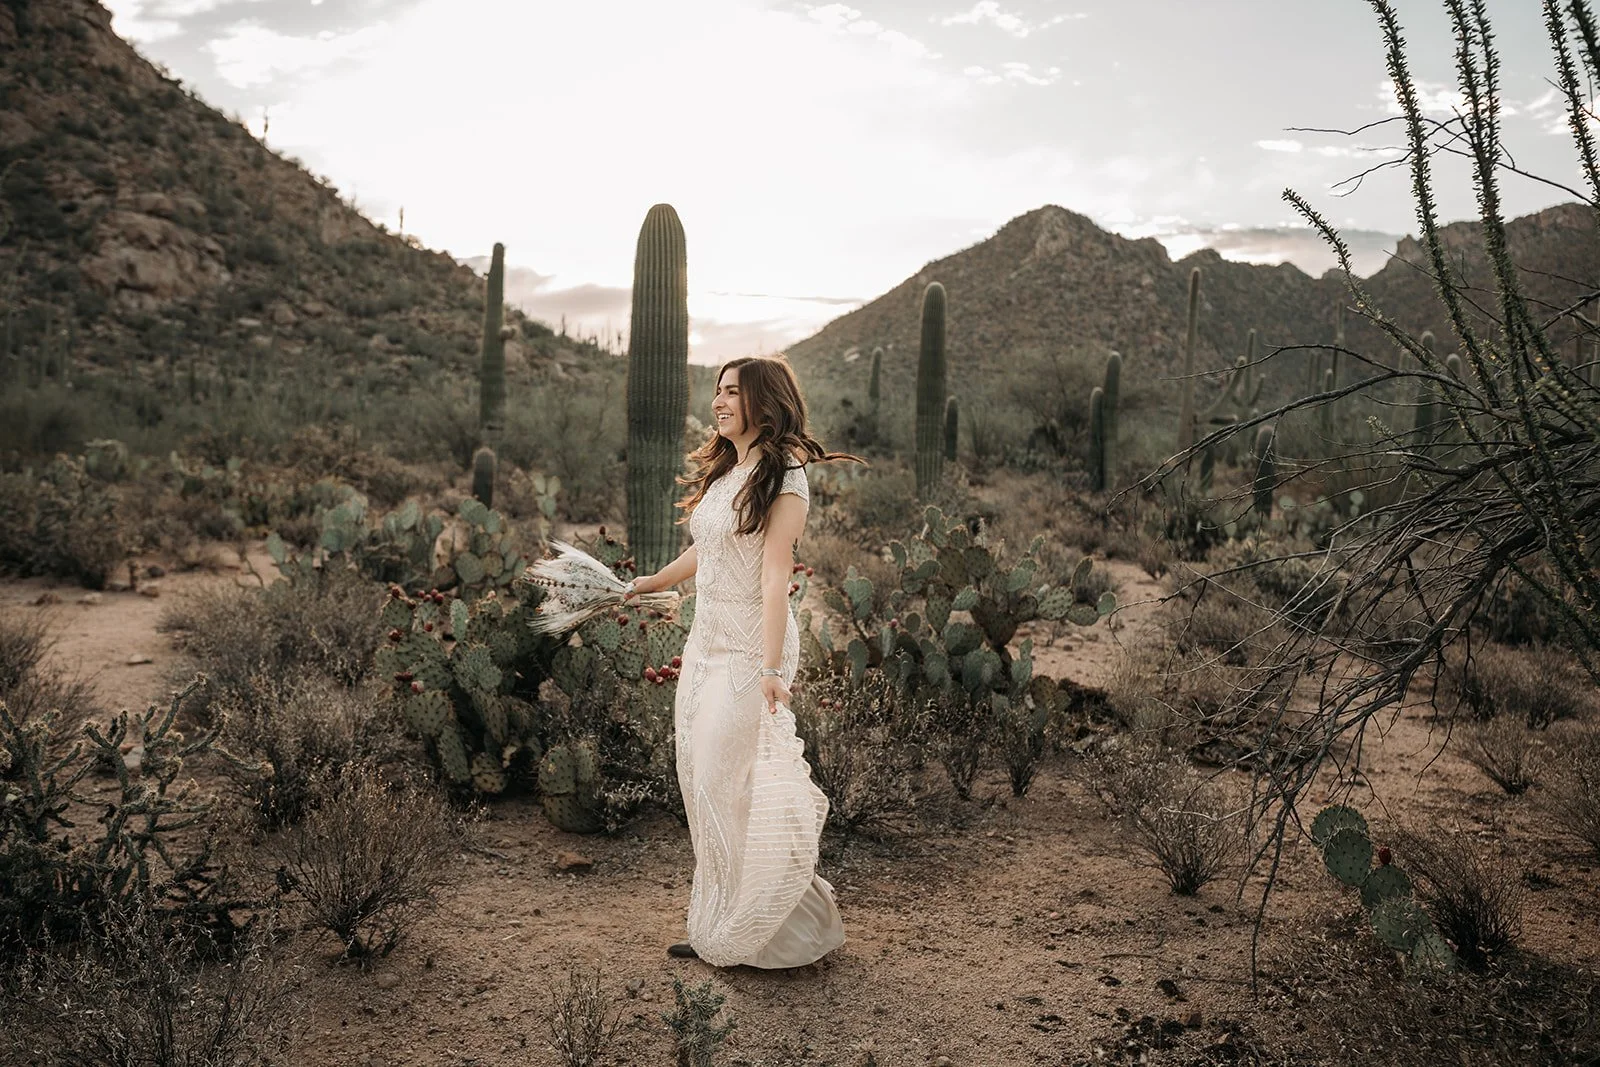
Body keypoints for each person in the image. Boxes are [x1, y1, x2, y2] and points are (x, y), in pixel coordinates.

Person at [622, 354, 864, 968]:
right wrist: (651, 582)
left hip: (753, 650)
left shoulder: (785, 477)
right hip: (706, 643)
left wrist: (773, 669)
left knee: (739, 786)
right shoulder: (732, 471)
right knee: (704, 781)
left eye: (733, 392)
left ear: (765, 402)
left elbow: (776, 575)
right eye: (718, 390)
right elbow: (706, 550)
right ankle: (723, 919)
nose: (719, 401)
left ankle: (782, 928)